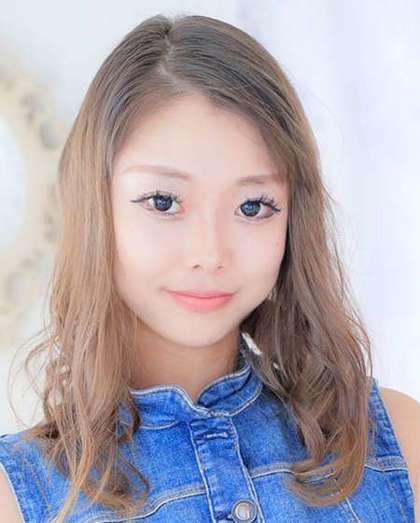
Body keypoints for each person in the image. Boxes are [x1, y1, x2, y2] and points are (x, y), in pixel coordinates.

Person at [0, 13, 419, 523]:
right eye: (163, 201)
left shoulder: (396, 443)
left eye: (252, 207)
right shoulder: (20, 495)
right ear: (95, 204)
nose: (210, 252)